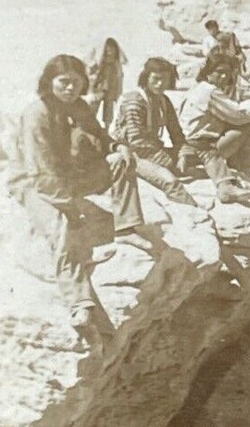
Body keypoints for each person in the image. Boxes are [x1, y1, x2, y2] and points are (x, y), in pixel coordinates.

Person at [10, 54, 151, 341]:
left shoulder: (80, 108)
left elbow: (100, 135)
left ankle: (126, 227)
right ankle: (80, 305)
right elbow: (41, 171)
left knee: (122, 161)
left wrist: (116, 146)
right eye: (63, 82)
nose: (70, 88)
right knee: (61, 228)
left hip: (72, 178)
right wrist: (71, 208)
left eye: (76, 83)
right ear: (49, 83)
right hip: (33, 183)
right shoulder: (36, 114)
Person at [179, 50, 250, 203]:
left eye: (227, 73)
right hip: (202, 149)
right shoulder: (210, 91)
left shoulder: (196, 87)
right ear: (209, 72)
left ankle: (241, 173)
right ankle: (244, 173)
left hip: (187, 146)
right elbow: (236, 114)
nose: (224, 76)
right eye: (219, 72)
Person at [109, 57, 197, 204]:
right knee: (170, 181)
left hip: (153, 149)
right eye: (156, 78)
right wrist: (169, 161)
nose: (160, 84)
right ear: (146, 78)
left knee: (201, 155)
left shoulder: (163, 101)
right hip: (131, 153)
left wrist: (182, 154)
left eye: (165, 80)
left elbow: (176, 134)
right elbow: (136, 142)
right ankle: (193, 212)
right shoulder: (134, 101)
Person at [200, 18, 246, 95]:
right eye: (210, 29)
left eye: (214, 28)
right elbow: (205, 52)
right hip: (213, 59)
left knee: (233, 71)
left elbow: (232, 48)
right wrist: (214, 50)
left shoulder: (225, 36)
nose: (212, 31)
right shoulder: (207, 39)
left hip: (226, 59)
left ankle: (231, 91)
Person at [87, 37, 126, 126]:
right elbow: (89, 72)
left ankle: (106, 129)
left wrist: (118, 92)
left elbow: (119, 78)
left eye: (112, 49)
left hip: (111, 88)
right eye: (108, 49)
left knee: (109, 110)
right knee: (92, 108)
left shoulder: (116, 64)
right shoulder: (99, 61)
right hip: (99, 88)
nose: (110, 52)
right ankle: (89, 126)